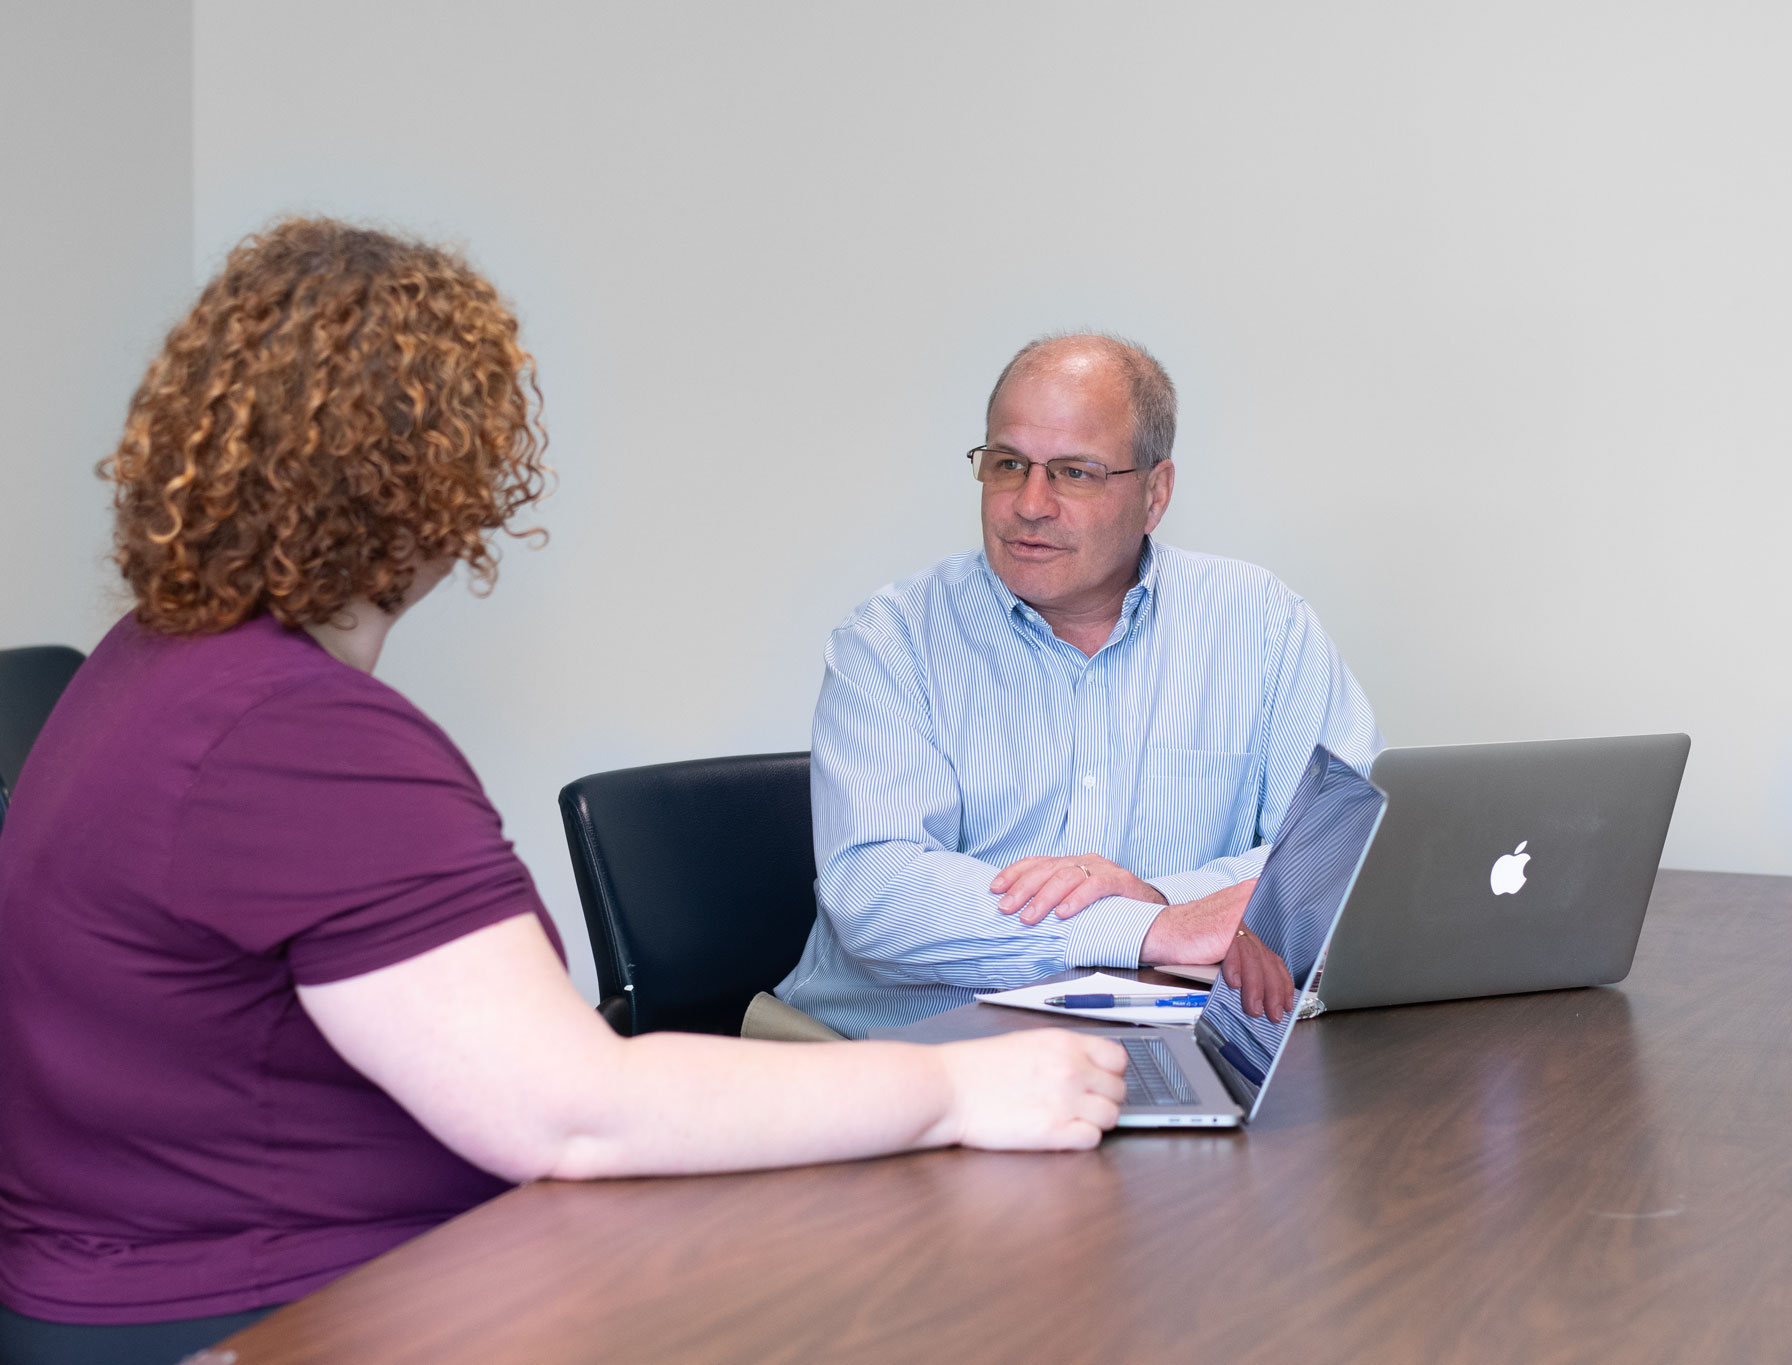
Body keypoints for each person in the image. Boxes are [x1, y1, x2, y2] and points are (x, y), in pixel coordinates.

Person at [0, 221, 1125, 1365]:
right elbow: (571, 1112)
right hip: (286, 1310)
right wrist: (955, 1091)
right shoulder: (292, 736)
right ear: (437, 472)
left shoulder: (151, 664)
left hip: (203, 1279)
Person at [774, 333, 1383, 1038]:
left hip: (1161, 1043)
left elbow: (1345, 847)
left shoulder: (1262, 623)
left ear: (1155, 493)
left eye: (1074, 472)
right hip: (905, 1058)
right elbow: (878, 895)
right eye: (1008, 465)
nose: (1030, 503)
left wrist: (1162, 897)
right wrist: (1148, 927)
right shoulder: (891, 640)